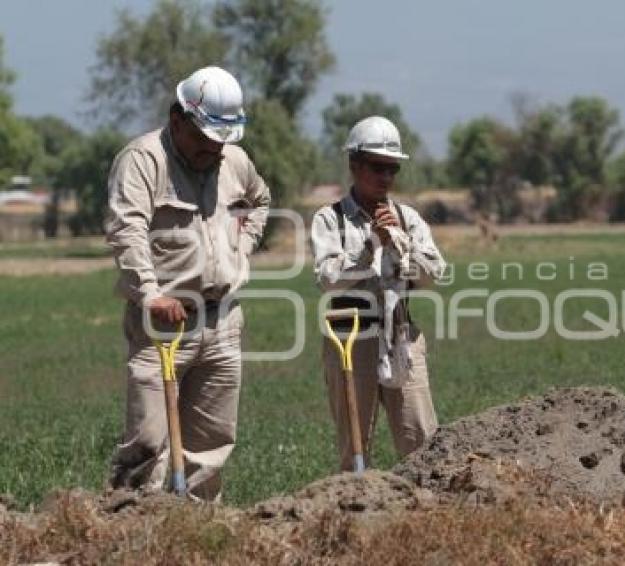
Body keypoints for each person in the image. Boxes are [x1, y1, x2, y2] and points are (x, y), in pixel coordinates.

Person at [105, 66, 271, 500]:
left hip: (222, 321)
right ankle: (131, 530)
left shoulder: (233, 160)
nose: (213, 151)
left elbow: (260, 201)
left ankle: (197, 532)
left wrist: (243, 246)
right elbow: (127, 231)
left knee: (211, 446)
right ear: (177, 118)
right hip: (163, 324)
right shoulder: (143, 161)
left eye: (221, 141)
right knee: (148, 442)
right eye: (204, 140)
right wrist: (150, 294)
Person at [310, 116, 446, 471]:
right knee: (355, 445)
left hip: (401, 334)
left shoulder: (407, 218)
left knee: (422, 441)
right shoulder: (330, 219)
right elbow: (329, 279)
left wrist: (401, 247)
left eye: (392, 169)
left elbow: (434, 273)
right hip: (351, 337)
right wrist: (372, 246)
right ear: (354, 165)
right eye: (377, 167)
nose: (386, 177)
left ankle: (427, 514)